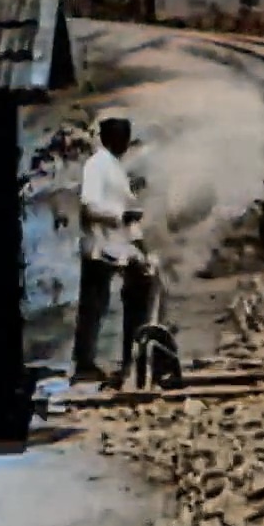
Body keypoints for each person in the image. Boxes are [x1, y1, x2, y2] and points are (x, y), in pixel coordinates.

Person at [74, 113, 155, 384]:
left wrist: (141, 245)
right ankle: (85, 365)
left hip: (119, 246)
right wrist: (121, 216)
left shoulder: (115, 167)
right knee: (93, 307)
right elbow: (89, 206)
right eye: (121, 138)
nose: (125, 143)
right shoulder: (97, 164)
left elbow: (126, 210)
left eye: (127, 138)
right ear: (109, 138)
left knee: (138, 292)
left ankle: (131, 358)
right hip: (99, 244)